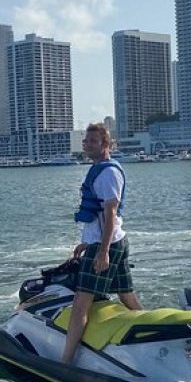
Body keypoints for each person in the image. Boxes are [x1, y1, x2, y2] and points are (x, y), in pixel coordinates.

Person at [61, 123, 144, 365]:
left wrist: (103, 251)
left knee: (80, 304)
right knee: (126, 295)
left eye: (93, 141)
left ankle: (66, 360)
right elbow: (98, 216)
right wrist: (86, 243)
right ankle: (151, 328)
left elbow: (110, 215)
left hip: (108, 245)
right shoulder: (98, 169)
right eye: (86, 140)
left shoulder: (109, 173)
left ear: (106, 145)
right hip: (110, 242)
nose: (87, 144)